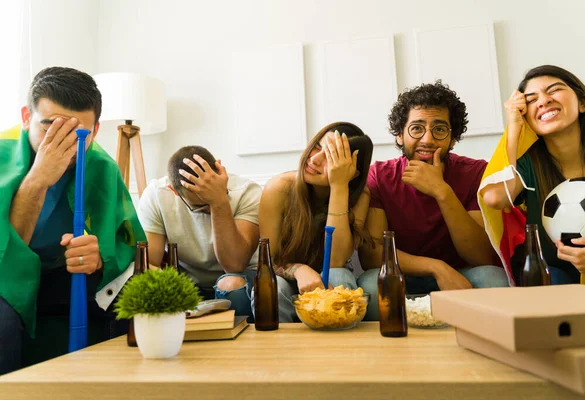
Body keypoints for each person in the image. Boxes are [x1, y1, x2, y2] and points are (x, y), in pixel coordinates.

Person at [0, 67, 146, 374]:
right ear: (26, 116)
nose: (63, 148)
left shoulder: (101, 166)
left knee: (133, 297)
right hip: (8, 276)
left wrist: (98, 259)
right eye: (49, 129)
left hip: (63, 275)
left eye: (78, 135)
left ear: (94, 131)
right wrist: (38, 178)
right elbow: (7, 253)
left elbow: (129, 247)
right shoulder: (3, 154)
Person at [358, 81, 508, 320]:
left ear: (453, 138)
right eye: (416, 128)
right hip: (402, 275)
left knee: (493, 277)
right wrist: (436, 267)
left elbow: (482, 257)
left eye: (439, 129)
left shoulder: (477, 172)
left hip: (462, 275)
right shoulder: (379, 176)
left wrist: (442, 192)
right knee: (370, 284)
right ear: (399, 135)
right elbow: (373, 256)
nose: (427, 139)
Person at [480, 65, 585, 285]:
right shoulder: (529, 163)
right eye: (531, 100)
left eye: (553, 90)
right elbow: (495, 198)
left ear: (582, 103)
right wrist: (514, 127)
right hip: (554, 275)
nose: (543, 101)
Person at [259, 122, 373, 322]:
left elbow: (336, 260)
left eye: (330, 157)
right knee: (273, 286)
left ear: (351, 171)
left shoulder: (359, 196)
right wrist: (299, 270)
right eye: (317, 147)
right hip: (286, 277)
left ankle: (340, 348)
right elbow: (269, 260)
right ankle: (278, 350)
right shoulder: (280, 188)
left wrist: (339, 186)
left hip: (330, 281)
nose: (314, 159)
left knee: (339, 275)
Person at [137, 146, 261, 320]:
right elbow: (149, 263)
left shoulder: (247, 192)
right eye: (200, 207)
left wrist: (219, 202)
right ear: (174, 191)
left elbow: (235, 265)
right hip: (189, 284)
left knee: (231, 284)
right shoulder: (157, 195)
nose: (208, 209)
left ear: (219, 170)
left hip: (241, 279)